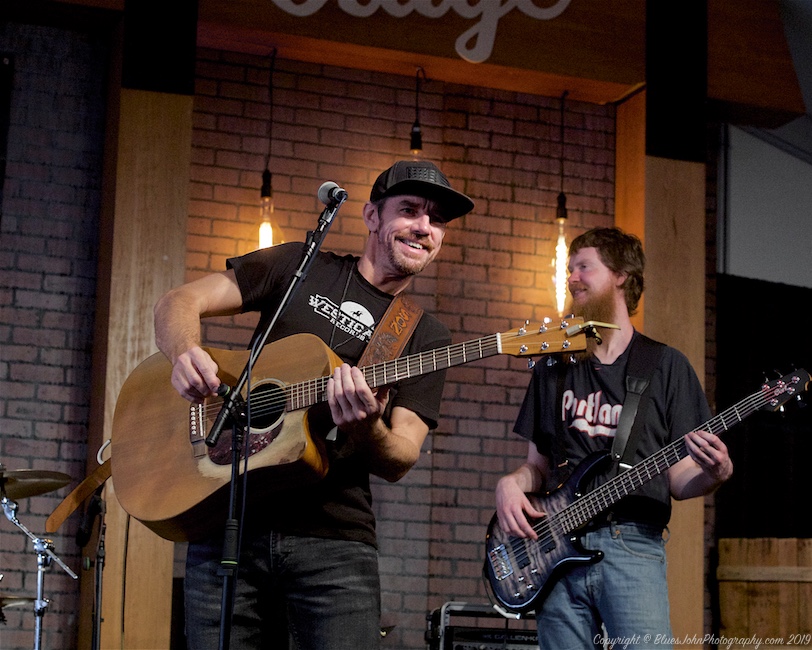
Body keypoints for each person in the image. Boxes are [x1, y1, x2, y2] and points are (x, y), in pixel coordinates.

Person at [153, 160, 474, 649]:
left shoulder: (424, 335)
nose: (424, 228)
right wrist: (184, 354)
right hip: (230, 525)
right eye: (409, 210)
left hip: (335, 545)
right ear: (370, 216)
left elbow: (402, 455)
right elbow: (177, 302)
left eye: (437, 221)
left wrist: (367, 427)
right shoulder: (298, 265)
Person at [494, 227, 733, 649]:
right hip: (557, 553)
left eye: (584, 266)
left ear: (621, 275)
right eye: (570, 269)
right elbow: (537, 466)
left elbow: (679, 481)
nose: (572, 278)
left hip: (633, 548)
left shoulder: (666, 365)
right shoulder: (556, 364)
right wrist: (510, 483)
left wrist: (715, 473)